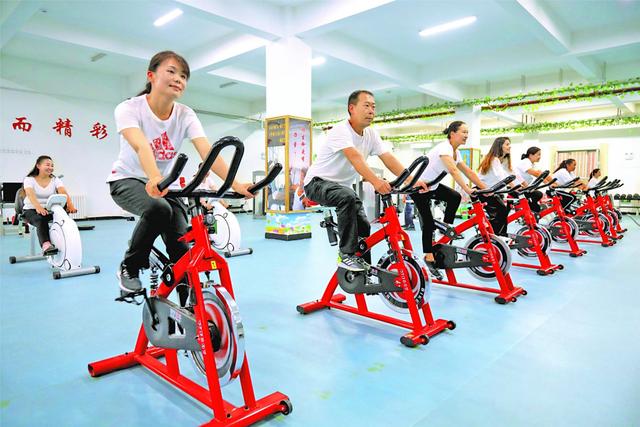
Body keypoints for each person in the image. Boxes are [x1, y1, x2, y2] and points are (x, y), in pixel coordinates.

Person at [107, 51, 253, 295]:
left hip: (165, 185)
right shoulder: (129, 108)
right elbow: (141, 145)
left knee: (182, 247)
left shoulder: (185, 114)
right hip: (127, 179)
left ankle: (191, 305)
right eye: (172, 72)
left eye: (184, 76)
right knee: (158, 209)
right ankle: (129, 266)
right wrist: (154, 177)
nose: (179, 79)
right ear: (151, 76)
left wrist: (236, 185)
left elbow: (208, 151)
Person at [303, 90, 428, 272]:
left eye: (373, 107)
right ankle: (346, 255)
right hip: (316, 183)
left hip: (341, 187)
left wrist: (411, 179)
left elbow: (387, 158)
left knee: (363, 224)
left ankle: (364, 268)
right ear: (351, 108)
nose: (371, 110)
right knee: (347, 197)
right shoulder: (340, 130)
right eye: (366, 106)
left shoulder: (371, 134)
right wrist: (376, 182)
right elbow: (355, 158)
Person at [411, 121, 489, 278]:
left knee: (455, 197)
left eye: (468, 132)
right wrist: (467, 188)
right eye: (463, 132)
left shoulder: (456, 153)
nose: (466, 135)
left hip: (432, 186)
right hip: (418, 188)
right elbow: (453, 170)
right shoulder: (444, 148)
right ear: (452, 133)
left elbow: (468, 172)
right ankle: (428, 255)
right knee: (428, 222)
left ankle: (445, 228)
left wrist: (485, 189)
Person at [22, 155, 77, 255]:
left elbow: (63, 192)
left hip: (48, 209)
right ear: (38, 166)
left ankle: (67, 245)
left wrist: (70, 205)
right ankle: (46, 245)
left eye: (52, 165)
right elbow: (30, 194)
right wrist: (38, 207)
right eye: (47, 165)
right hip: (31, 210)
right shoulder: (29, 179)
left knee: (63, 219)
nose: (51, 167)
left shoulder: (55, 179)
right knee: (40, 219)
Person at [477, 137, 514, 237]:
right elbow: (501, 177)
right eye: (507, 144)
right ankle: (495, 237)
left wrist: (516, 186)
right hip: (484, 191)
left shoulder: (502, 160)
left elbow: (509, 174)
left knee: (503, 212)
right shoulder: (494, 159)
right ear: (499, 146)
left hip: (492, 191)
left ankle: (500, 236)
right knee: (501, 211)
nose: (509, 146)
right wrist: (513, 186)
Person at [514, 146, 552, 213]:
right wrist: (549, 183)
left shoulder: (532, 164)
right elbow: (536, 174)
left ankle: (531, 210)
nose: (540, 157)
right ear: (531, 155)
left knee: (537, 195)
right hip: (515, 189)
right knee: (537, 195)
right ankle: (524, 208)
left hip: (523, 188)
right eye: (538, 154)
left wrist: (551, 182)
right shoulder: (525, 162)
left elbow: (541, 174)